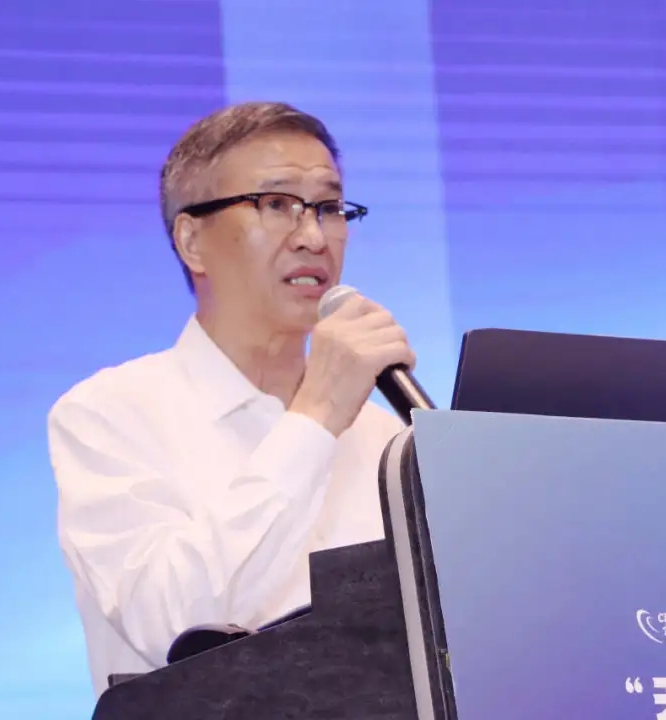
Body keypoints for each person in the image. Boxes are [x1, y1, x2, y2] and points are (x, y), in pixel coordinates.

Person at [47, 101, 414, 695]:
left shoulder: (386, 440)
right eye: (276, 204)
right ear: (192, 240)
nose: (313, 237)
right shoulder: (109, 414)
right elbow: (173, 626)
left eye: (328, 208)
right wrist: (317, 416)